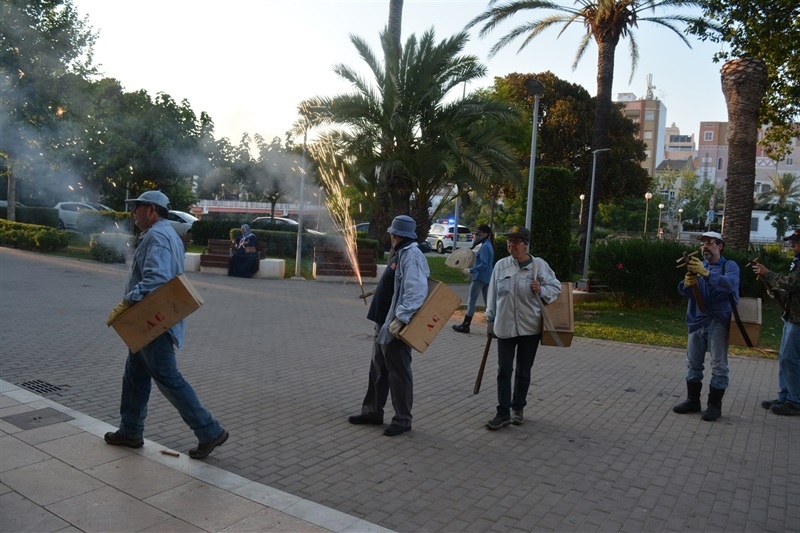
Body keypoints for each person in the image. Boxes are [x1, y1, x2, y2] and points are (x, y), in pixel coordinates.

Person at [104, 190, 228, 458]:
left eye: (137, 208)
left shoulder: (157, 237)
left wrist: (129, 300)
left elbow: (157, 278)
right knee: (135, 377)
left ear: (151, 210)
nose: (134, 213)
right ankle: (130, 430)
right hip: (151, 320)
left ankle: (209, 430)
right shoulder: (167, 233)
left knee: (168, 378)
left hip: (153, 322)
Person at [348, 215, 429, 436]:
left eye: (392, 232)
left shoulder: (411, 255)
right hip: (384, 323)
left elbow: (416, 291)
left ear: (395, 234)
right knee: (378, 368)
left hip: (394, 325)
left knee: (398, 372)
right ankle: (372, 412)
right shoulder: (401, 252)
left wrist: (401, 319)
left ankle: (403, 420)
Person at [484, 226, 561, 430]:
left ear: (525, 244)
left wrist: (541, 289)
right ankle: (502, 413)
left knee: (523, 371)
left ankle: (518, 409)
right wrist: (490, 319)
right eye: (509, 241)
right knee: (504, 370)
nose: (512, 245)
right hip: (504, 326)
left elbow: (556, 287)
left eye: (516, 241)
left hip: (529, 328)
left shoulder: (538, 265)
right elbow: (492, 294)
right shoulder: (501, 266)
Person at [673, 231, 740, 422]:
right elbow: (684, 291)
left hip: (718, 322)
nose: (704, 247)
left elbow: (729, 285)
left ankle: (714, 406)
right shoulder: (698, 266)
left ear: (720, 246)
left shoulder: (729, 266)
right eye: (702, 244)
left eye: (709, 243)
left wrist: (707, 274)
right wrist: (686, 284)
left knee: (718, 365)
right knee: (693, 363)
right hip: (696, 321)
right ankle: (692, 401)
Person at [752, 229, 800, 416]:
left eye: (796, 241)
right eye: (792, 241)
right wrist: (775, 289)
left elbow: (792, 283)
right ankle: (784, 396)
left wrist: (768, 273)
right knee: (784, 357)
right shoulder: (797, 261)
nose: (792, 244)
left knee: (790, 358)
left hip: (798, 320)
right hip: (792, 316)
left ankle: (795, 401)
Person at [453, 224, 494, 334]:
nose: (477, 235)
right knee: (488, 303)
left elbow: (484, 264)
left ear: (486, 234)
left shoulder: (485, 247)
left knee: (471, 301)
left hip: (479, 278)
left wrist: (471, 270)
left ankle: (466, 325)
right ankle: (493, 327)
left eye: (479, 233)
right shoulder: (489, 245)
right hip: (488, 278)